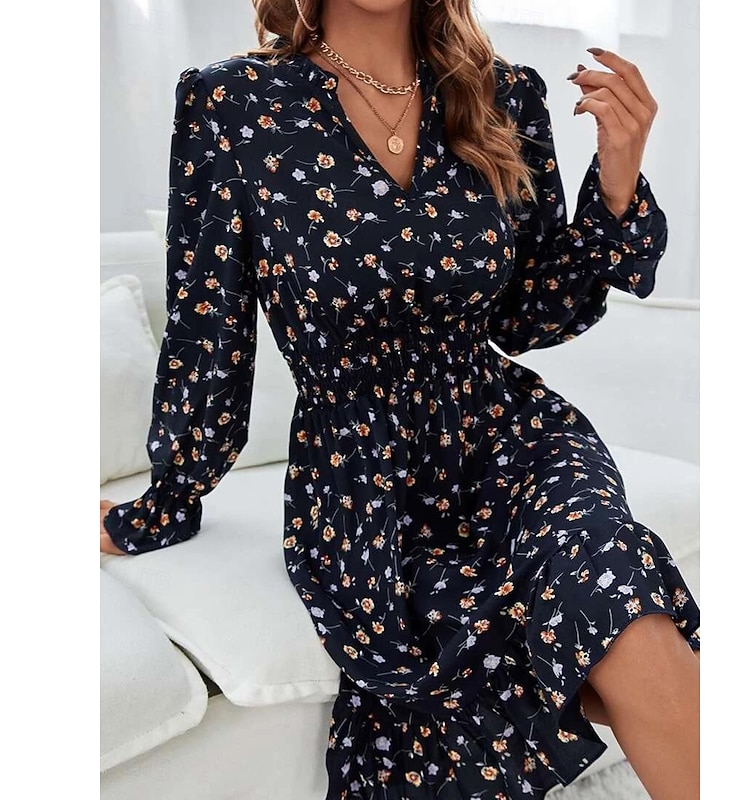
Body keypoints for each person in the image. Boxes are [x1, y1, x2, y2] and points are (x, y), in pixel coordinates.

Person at [100, 1, 700, 797]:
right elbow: (208, 327)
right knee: (481, 646)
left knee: (617, 590)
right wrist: (168, 499)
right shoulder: (232, 104)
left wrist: (618, 184)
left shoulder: (505, 94)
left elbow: (528, 317)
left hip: (515, 436)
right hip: (364, 474)